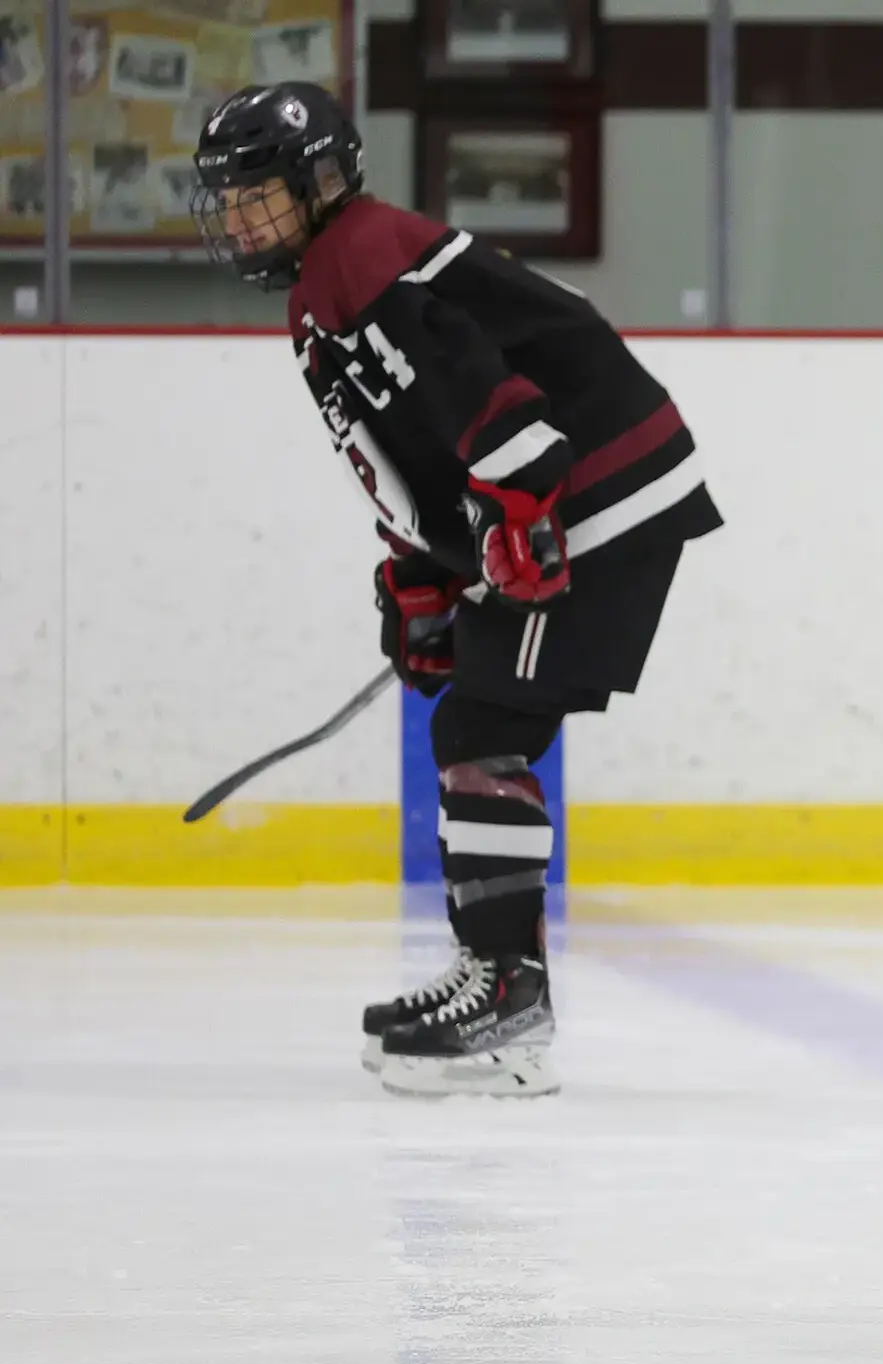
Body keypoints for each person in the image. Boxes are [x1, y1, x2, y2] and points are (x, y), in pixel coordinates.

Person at [191, 82, 720, 1097]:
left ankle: (507, 995)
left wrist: (517, 500)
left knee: (482, 726)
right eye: (229, 200)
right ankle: (500, 980)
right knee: (482, 723)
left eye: (259, 192)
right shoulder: (333, 274)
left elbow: (476, 387)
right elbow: (418, 444)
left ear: (320, 180)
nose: (241, 218)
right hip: (583, 487)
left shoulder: (355, 259)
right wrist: (425, 571)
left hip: (591, 492)